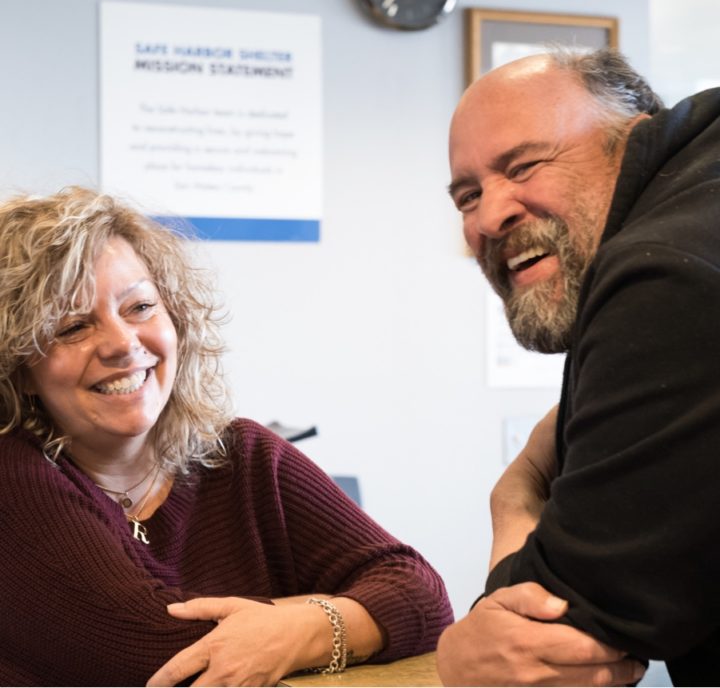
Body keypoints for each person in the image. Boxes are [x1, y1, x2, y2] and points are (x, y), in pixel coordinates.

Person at [0, 186, 453, 686]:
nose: (124, 345)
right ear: (19, 368)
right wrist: (330, 615)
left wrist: (292, 627)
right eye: (72, 327)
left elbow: (423, 599)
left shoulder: (245, 454)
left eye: (140, 307)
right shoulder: (12, 474)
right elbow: (158, 655)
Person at [436, 47, 720, 687]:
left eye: (525, 165)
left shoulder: (662, 271)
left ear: (635, 132)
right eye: (467, 195)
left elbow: (548, 647)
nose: (490, 215)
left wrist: (513, 500)